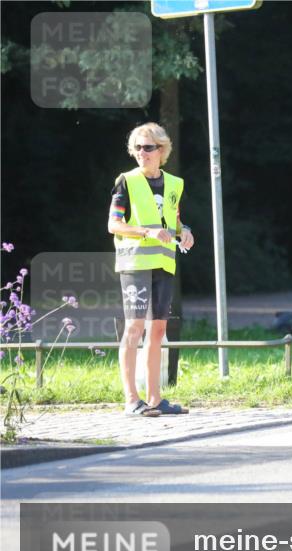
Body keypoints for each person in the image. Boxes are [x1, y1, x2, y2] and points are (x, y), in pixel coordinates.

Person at [107, 122, 194, 416]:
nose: (141, 153)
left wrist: (185, 232)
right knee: (134, 328)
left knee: (158, 330)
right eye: (137, 148)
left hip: (164, 263)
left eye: (148, 147)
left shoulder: (175, 184)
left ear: (161, 150)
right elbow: (113, 224)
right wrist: (147, 232)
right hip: (135, 263)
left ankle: (155, 399)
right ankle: (132, 400)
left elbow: (174, 222)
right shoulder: (126, 181)